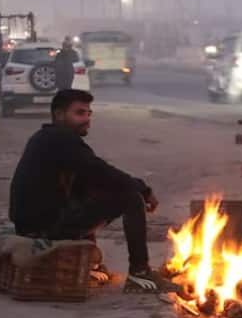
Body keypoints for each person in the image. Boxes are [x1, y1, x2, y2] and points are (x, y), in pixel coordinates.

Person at [9, 89, 164, 292]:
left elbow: (91, 178)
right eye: (79, 113)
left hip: (36, 222)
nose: (87, 119)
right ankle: (140, 273)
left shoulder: (48, 138)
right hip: (43, 226)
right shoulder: (60, 139)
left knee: (92, 190)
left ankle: (91, 263)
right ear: (59, 114)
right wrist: (143, 189)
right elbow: (100, 170)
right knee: (131, 198)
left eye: (89, 113)